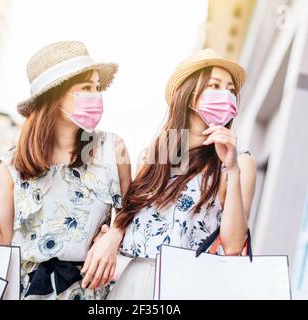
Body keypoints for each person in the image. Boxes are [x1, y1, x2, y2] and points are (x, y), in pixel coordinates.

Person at [0, 41, 131, 300]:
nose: (95, 96)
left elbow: (131, 215)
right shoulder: (14, 161)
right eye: (85, 88)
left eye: (96, 87)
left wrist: (113, 236)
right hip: (25, 293)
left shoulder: (112, 149)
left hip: (89, 294)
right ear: (55, 96)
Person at [81, 48, 256, 299]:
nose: (226, 96)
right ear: (190, 95)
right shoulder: (159, 152)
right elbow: (129, 211)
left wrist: (234, 169)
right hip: (135, 279)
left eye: (231, 90)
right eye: (215, 86)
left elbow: (233, 246)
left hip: (190, 286)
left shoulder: (239, 163)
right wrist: (112, 237)